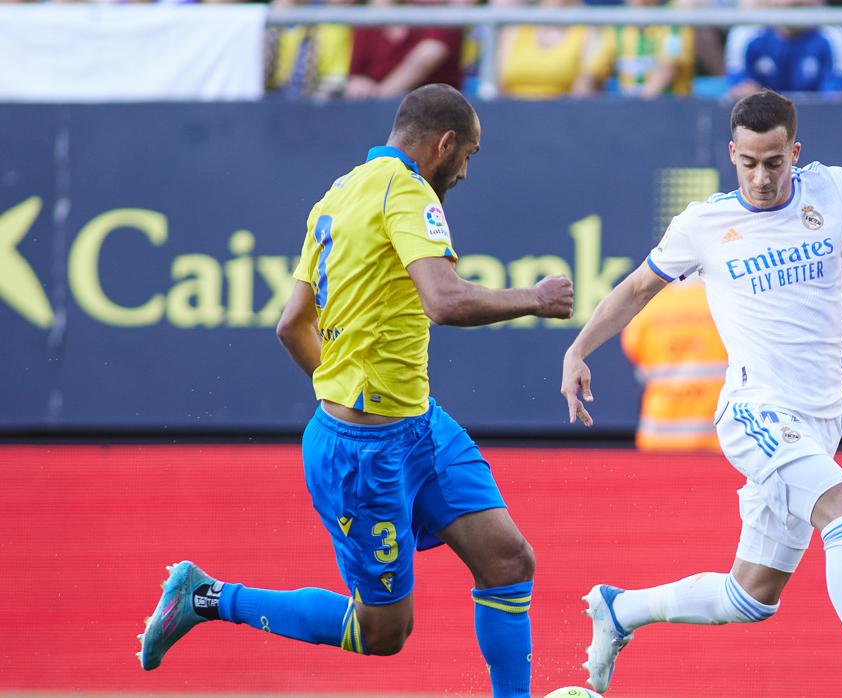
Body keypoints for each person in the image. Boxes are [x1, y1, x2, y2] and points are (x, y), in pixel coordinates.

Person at [138, 84, 575, 698]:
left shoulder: (337, 196)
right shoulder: (408, 190)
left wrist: (346, 385)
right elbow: (444, 302)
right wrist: (535, 298)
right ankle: (208, 598)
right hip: (365, 454)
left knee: (508, 561)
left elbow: (291, 325)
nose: (468, 171)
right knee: (383, 632)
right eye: (468, 154)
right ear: (443, 144)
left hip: (418, 424)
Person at [560, 90, 842, 698]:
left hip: (819, 420)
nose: (762, 177)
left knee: (750, 598)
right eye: (749, 162)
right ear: (731, 154)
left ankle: (621, 610)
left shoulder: (835, 189)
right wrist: (578, 349)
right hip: (754, 412)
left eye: (774, 162)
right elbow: (638, 288)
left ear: (794, 152)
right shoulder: (704, 224)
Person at [620, 278, 727, 451]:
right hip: (718, 439)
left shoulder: (650, 307)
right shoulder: (724, 303)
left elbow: (638, 360)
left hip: (658, 437)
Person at [725, 0, 842, 99]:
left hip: (820, 126)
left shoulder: (834, 35)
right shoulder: (746, 34)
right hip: (764, 129)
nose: (796, 1)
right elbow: (740, 95)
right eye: (792, 5)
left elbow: (838, 99)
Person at [345, 0, 465, 99]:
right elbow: (356, 77)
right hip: (378, 114)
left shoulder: (443, 16)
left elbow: (430, 54)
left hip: (434, 116)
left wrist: (379, 96)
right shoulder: (369, 21)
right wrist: (359, 86)